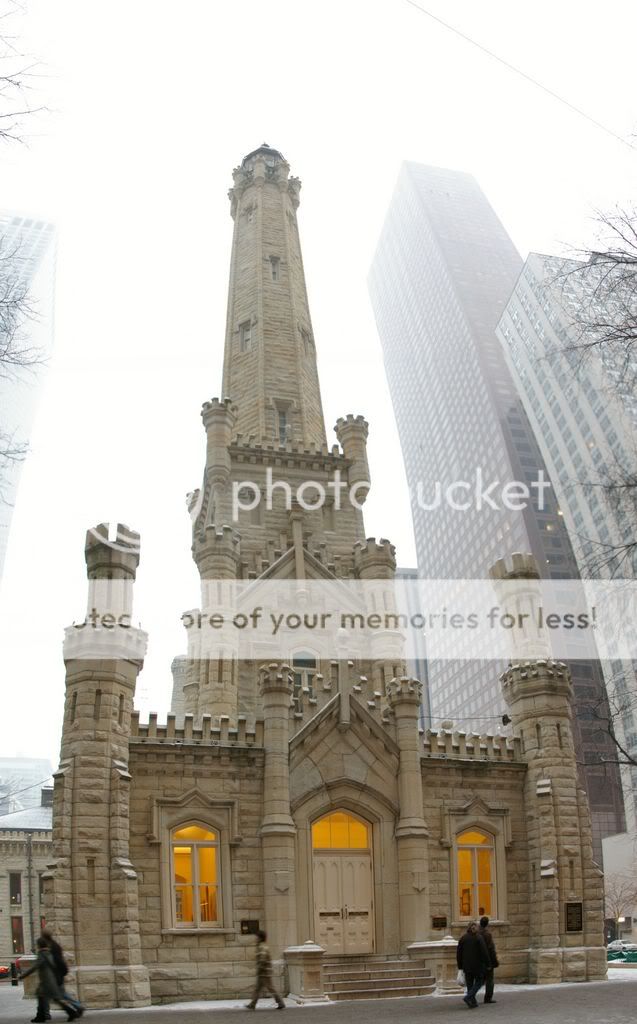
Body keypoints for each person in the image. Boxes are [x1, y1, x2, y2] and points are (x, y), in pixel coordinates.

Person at [18, 937, 80, 1022]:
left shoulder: (42, 954)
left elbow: (35, 967)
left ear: (39, 945)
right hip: (50, 979)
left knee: (48, 997)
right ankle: (42, 1016)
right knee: (47, 997)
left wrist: (23, 975)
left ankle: (70, 1012)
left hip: (46, 981)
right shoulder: (49, 953)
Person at [41, 929, 84, 1019]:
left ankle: (76, 1008)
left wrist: (60, 973)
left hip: (56, 975)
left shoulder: (52, 947)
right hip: (57, 974)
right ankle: (44, 1013)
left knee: (60, 995)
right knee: (60, 994)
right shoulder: (54, 945)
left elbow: (57, 962)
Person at [246, 930, 285, 1010]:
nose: (255, 939)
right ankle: (252, 1004)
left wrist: (259, 968)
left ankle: (280, 1002)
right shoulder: (260, 946)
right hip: (263, 971)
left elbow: (262, 959)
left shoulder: (262, 947)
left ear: (260, 938)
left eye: (256, 937)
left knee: (270, 988)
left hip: (264, 972)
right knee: (258, 988)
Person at [456, 921, 491, 1009]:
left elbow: (459, 953)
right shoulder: (479, 938)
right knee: (479, 982)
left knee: (470, 984)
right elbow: (484, 952)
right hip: (478, 965)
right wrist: (488, 963)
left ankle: (472, 1002)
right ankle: (469, 997)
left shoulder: (463, 938)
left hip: (466, 965)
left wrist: (460, 966)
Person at [479, 915, 499, 1004]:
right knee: (489, 980)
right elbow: (491, 949)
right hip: (487, 960)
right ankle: (488, 998)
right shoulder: (487, 935)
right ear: (487, 924)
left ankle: (471, 994)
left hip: (479, 960)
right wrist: (494, 961)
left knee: (479, 980)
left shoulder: (477, 933)